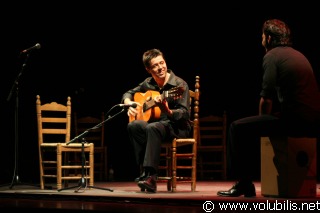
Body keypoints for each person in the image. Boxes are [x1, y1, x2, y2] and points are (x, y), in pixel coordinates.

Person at [217, 19, 320, 197]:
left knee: (237, 128)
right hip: (313, 119)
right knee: (255, 126)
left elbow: (267, 97)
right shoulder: (297, 54)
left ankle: (243, 184)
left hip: (296, 121)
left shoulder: (272, 56)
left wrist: (261, 126)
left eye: (262, 35)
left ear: (269, 38)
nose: (261, 39)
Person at [121, 48, 192, 193]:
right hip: (156, 127)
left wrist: (168, 111)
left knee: (152, 127)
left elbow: (184, 114)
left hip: (177, 127)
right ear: (148, 69)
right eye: (155, 66)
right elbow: (128, 93)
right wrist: (129, 102)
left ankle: (151, 178)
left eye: (162, 63)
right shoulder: (147, 83)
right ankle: (144, 172)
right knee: (133, 125)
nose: (160, 68)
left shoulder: (179, 85)